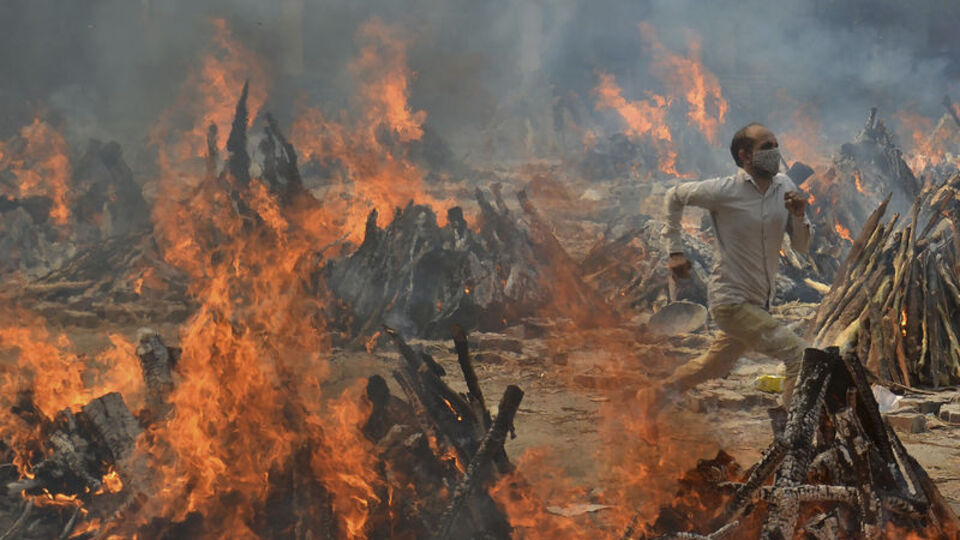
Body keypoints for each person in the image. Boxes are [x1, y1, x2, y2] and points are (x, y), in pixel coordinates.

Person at [642, 122, 814, 414]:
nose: (774, 153)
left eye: (775, 145)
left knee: (714, 365)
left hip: (758, 303)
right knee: (799, 355)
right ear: (745, 156)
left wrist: (799, 217)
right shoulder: (724, 191)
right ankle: (791, 438)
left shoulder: (784, 186)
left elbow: (801, 247)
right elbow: (674, 197)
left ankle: (653, 397)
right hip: (730, 302)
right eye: (766, 148)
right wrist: (674, 252)